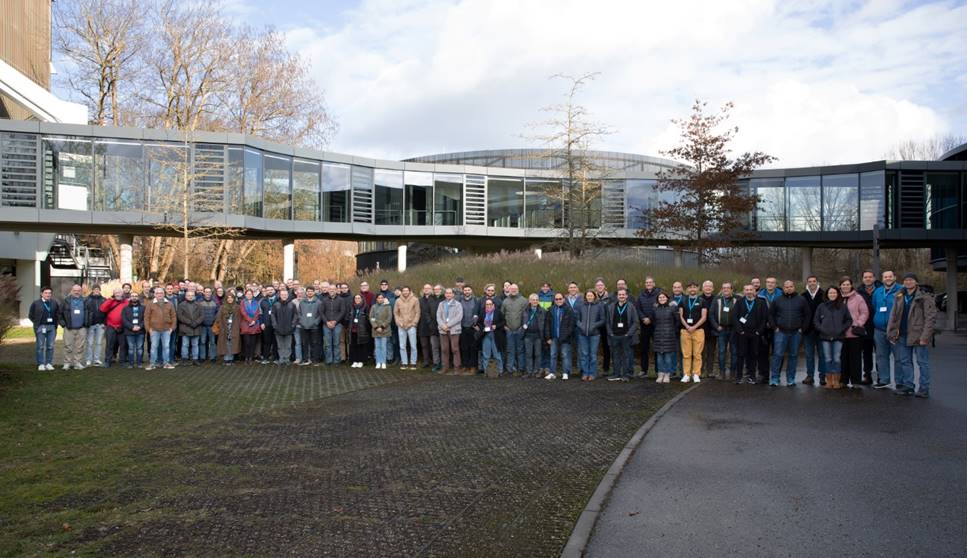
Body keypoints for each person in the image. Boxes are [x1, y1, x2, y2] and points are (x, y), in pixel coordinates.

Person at [887, 273, 937, 398]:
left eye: (911, 280)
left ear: (916, 282)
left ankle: (924, 388)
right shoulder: (899, 296)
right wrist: (891, 332)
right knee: (905, 361)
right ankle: (908, 386)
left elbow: (930, 318)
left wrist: (925, 337)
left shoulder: (924, 297)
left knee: (922, 362)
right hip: (902, 334)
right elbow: (893, 316)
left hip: (919, 335)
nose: (908, 282)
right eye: (906, 280)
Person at [769, 280, 810, 386]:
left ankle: (790, 379)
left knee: (793, 355)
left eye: (791, 286)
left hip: (796, 332)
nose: (789, 288)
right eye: (786, 287)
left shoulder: (801, 300)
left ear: (794, 287)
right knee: (777, 355)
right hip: (780, 332)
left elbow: (807, 315)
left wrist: (802, 328)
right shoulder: (777, 300)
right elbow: (770, 315)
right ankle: (775, 378)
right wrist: (774, 327)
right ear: (783, 288)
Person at [813, 286, 852, 390]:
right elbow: (816, 320)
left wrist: (841, 329)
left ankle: (836, 381)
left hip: (838, 337)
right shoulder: (822, 306)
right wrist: (821, 329)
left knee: (836, 359)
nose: (832, 295)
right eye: (830, 293)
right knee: (828, 359)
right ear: (827, 294)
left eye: (834, 293)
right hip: (825, 336)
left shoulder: (842, 306)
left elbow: (849, 320)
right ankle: (829, 381)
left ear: (838, 294)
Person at [733, 284, 768, 384]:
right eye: (747, 290)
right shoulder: (739, 302)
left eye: (751, 290)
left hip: (755, 334)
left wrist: (759, 332)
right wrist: (740, 331)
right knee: (741, 355)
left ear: (755, 291)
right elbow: (735, 317)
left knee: (753, 355)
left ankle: (752, 376)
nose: (749, 291)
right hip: (742, 333)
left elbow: (764, 319)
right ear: (744, 291)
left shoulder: (761, 303)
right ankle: (738, 376)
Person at [871, 270, 900, 389]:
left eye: (890, 276)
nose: (888, 278)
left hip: (895, 330)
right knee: (881, 356)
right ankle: (884, 379)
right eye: (885, 277)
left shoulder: (901, 290)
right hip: (879, 330)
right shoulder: (878, 291)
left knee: (899, 357)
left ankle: (900, 381)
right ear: (882, 279)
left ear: (894, 277)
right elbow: (874, 306)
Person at [840, 277, 870, 389]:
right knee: (843, 358)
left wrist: (858, 323)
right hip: (841, 333)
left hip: (854, 333)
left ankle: (856, 381)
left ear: (851, 285)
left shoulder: (858, 298)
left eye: (847, 284)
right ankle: (843, 380)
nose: (845, 286)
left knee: (855, 358)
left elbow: (864, 312)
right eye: (843, 284)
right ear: (840, 286)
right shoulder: (837, 298)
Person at [605, 288, 639, 382]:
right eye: (620, 294)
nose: (621, 296)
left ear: (626, 296)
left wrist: (629, 333)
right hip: (614, 335)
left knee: (626, 356)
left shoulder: (631, 306)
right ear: (617, 296)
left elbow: (635, 322)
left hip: (626, 336)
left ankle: (626, 374)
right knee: (615, 355)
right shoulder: (611, 307)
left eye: (623, 294)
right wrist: (610, 333)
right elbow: (607, 322)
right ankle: (616, 374)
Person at [708, 282, 738, 380]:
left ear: (731, 289)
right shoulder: (717, 299)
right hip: (721, 330)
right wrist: (716, 326)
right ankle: (722, 372)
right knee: (721, 352)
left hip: (733, 330)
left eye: (728, 288)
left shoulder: (737, 299)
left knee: (734, 352)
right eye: (724, 288)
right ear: (722, 289)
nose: (726, 290)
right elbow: (711, 314)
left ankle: (733, 372)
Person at [679, 282, 707, 383]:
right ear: (687, 289)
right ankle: (686, 374)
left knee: (697, 354)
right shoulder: (683, 300)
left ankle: (696, 374)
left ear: (697, 288)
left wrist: (694, 327)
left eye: (694, 287)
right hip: (685, 331)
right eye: (690, 287)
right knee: (686, 354)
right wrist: (687, 326)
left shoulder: (702, 301)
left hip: (698, 331)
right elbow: (681, 315)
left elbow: (704, 317)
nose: (692, 289)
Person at [800, 275, 827, 386]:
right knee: (809, 354)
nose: (812, 283)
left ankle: (822, 376)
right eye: (809, 281)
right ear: (807, 283)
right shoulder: (803, 296)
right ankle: (810, 376)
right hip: (807, 330)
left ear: (817, 282)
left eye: (814, 281)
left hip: (821, 330)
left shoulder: (824, 294)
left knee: (822, 355)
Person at [544, 292, 574, 381]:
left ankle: (565, 373)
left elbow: (571, 325)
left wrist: (565, 335)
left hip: (565, 338)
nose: (558, 301)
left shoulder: (569, 310)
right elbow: (547, 325)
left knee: (565, 355)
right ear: (554, 300)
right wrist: (548, 337)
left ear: (564, 299)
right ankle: (552, 373)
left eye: (560, 299)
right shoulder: (550, 310)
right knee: (553, 355)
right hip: (554, 337)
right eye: (556, 299)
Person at [28, 286, 60, 371]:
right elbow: (31, 315)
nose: (48, 295)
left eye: (49, 293)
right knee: (40, 346)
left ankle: (49, 363)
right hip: (41, 327)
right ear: (41, 294)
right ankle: (41, 364)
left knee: (50, 346)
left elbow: (58, 314)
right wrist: (37, 324)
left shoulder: (54, 303)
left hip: (52, 327)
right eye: (46, 293)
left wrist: (56, 324)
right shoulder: (36, 303)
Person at [144, 286, 176, 370]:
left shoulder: (169, 303)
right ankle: (152, 363)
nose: (159, 294)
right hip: (154, 330)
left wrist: (172, 328)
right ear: (154, 294)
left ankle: (166, 363)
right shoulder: (150, 303)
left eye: (161, 293)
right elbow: (146, 317)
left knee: (166, 347)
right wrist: (148, 329)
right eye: (157, 293)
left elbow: (173, 317)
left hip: (166, 330)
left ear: (164, 293)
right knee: (154, 347)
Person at [858, 270, 881, 384]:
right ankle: (867, 375)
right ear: (863, 279)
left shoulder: (881, 290)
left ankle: (881, 376)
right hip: (865, 328)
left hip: (879, 327)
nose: (868, 279)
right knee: (866, 354)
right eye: (865, 277)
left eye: (870, 277)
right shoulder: (858, 292)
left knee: (880, 354)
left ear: (874, 278)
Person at [652, 291, 680, 384]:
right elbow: (654, 322)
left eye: (663, 297)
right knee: (659, 357)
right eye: (660, 298)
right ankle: (660, 374)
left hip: (669, 336)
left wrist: (672, 330)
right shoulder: (655, 309)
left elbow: (677, 321)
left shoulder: (672, 308)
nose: (662, 299)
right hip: (658, 335)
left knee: (668, 357)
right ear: (657, 299)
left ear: (667, 298)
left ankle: (667, 374)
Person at [635, 277, 660, 378]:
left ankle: (658, 370)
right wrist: (643, 318)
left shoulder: (659, 294)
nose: (648, 284)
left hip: (655, 325)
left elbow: (659, 307)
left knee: (657, 348)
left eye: (650, 282)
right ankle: (643, 370)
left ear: (654, 283)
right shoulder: (641, 295)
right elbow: (638, 308)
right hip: (644, 325)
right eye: (647, 282)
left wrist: (650, 318)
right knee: (644, 348)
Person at [757, 277, 781, 383]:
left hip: (777, 328)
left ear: (776, 284)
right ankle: (764, 374)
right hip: (764, 328)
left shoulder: (781, 294)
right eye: (768, 282)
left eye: (772, 283)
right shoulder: (759, 294)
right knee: (763, 352)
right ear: (765, 283)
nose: (770, 284)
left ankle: (776, 374)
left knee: (778, 352)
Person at [59, 284, 89, 370]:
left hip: (81, 328)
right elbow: (59, 313)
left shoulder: (85, 300)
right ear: (72, 291)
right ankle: (67, 363)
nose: (76, 292)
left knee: (80, 347)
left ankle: (77, 363)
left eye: (78, 290)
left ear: (81, 291)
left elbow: (89, 312)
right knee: (68, 346)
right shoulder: (66, 301)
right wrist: (63, 324)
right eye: (75, 290)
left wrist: (87, 323)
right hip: (69, 328)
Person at [576, 290, 604, 381]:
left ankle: (592, 373)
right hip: (582, 334)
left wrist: (594, 325)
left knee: (593, 355)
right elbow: (577, 319)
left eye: (591, 295)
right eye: (588, 296)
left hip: (594, 335)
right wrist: (581, 326)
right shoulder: (581, 306)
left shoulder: (599, 306)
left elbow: (603, 320)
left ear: (594, 296)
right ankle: (585, 373)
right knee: (584, 355)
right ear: (585, 297)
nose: (589, 297)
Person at [474, 298, 505, 378]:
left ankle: (500, 371)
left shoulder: (498, 312)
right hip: (485, 335)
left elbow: (503, 322)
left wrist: (496, 326)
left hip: (495, 335)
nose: (488, 306)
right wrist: (482, 328)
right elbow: (479, 323)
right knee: (486, 354)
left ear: (493, 305)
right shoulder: (482, 312)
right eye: (487, 304)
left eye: (490, 304)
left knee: (497, 354)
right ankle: (486, 371)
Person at [501, 284, 528, 375]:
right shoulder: (505, 301)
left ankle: (521, 368)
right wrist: (504, 326)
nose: (513, 290)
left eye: (515, 289)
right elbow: (502, 315)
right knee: (510, 350)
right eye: (511, 289)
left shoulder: (524, 301)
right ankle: (510, 369)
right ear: (509, 290)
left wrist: (522, 326)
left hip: (520, 329)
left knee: (520, 350)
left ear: (518, 290)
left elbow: (526, 315)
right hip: (509, 330)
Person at [392, 285, 420, 370]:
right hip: (401, 326)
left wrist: (414, 323)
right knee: (402, 346)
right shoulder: (398, 300)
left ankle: (413, 362)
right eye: (403, 291)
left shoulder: (415, 300)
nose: (405, 292)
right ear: (402, 291)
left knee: (413, 346)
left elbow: (417, 313)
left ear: (409, 291)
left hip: (411, 326)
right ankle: (404, 363)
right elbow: (396, 313)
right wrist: (398, 322)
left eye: (407, 290)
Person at [437, 287, 463, 374]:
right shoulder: (441, 304)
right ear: (445, 294)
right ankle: (445, 367)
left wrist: (448, 325)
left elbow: (459, 317)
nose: (448, 294)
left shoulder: (458, 304)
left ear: (453, 294)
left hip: (454, 330)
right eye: (446, 293)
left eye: (450, 293)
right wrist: (443, 326)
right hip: (443, 330)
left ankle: (457, 368)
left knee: (455, 349)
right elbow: (438, 316)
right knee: (444, 349)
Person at [100, 289, 129, 368]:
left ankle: (122, 362)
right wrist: (110, 299)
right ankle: (107, 361)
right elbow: (102, 309)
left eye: (119, 293)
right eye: (116, 293)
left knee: (123, 346)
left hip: (122, 327)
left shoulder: (126, 302)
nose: (118, 294)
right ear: (113, 294)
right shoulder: (110, 301)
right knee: (109, 345)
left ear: (123, 294)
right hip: (111, 326)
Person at [321, 285, 349, 365]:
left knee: (336, 343)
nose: (331, 290)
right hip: (326, 325)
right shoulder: (324, 300)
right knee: (328, 344)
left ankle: (337, 360)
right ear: (328, 290)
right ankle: (329, 360)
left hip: (337, 324)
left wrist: (335, 321)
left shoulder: (341, 300)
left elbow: (342, 311)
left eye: (333, 289)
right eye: (330, 289)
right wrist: (327, 322)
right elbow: (321, 312)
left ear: (336, 290)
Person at [521, 294, 547, 378]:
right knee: (528, 354)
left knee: (538, 354)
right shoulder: (525, 310)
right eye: (533, 299)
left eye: (536, 299)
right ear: (529, 301)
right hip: (528, 335)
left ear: (538, 301)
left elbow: (545, 324)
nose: (535, 301)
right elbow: (522, 322)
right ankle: (529, 371)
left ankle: (536, 371)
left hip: (538, 336)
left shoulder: (543, 311)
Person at [418, 284, 442, 372]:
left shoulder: (437, 299)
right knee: (426, 345)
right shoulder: (421, 300)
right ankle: (428, 361)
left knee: (437, 345)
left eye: (429, 288)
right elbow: (422, 312)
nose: (427, 289)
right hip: (424, 324)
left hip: (437, 325)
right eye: (425, 288)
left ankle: (438, 362)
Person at [271, 289, 298, 366]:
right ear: (280, 295)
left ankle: (287, 359)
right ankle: (281, 359)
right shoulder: (276, 304)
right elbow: (273, 316)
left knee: (288, 346)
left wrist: (292, 325)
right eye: (282, 294)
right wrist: (275, 326)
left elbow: (295, 316)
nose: (284, 296)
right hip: (278, 329)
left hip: (289, 329)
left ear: (288, 295)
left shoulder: (292, 305)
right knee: (280, 346)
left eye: (285, 294)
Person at [176, 290, 204, 365]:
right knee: (185, 345)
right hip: (185, 328)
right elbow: (180, 316)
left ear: (194, 296)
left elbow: (202, 316)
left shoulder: (199, 305)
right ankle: (184, 359)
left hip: (196, 328)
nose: (190, 296)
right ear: (185, 296)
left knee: (195, 345)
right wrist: (189, 322)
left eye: (192, 295)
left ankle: (195, 359)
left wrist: (196, 322)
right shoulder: (181, 305)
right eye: (188, 295)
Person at [297, 286, 322, 365]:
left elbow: (320, 314)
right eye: (308, 291)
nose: (310, 292)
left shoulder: (318, 302)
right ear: (306, 292)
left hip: (314, 327)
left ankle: (314, 360)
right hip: (303, 327)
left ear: (314, 292)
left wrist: (315, 323)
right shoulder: (302, 302)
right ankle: (305, 360)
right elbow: (299, 314)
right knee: (304, 343)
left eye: (311, 291)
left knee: (314, 343)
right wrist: (302, 322)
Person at [214, 291, 240, 365]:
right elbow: (218, 317)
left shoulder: (237, 307)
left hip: (234, 327)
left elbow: (239, 318)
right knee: (225, 343)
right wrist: (221, 325)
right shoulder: (222, 307)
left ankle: (231, 359)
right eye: (228, 298)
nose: (230, 299)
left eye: (231, 298)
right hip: (224, 327)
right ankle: (226, 359)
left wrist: (237, 326)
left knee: (232, 343)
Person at [458, 285, 479, 373]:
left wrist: (476, 324)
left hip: (472, 327)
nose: (467, 291)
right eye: (465, 290)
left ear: (471, 291)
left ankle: (473, 366)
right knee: (464, 347)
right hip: (462, 327)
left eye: (468, 290)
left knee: (473, 347)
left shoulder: (476, 300)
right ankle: (465, 365)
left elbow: (478, 313)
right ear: (463, 291)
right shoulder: (459, 300)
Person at [347, 293, 371, 367]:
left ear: (362, 299)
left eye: (359, 298)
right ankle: (354, 360)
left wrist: (367, 329)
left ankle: (361, 361)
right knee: (353, 346)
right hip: (353, 330)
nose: (357, 299)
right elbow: (348, 317)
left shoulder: (366, 307)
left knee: (361, 346)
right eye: (356, 298)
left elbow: (368, 319)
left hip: (362, 330)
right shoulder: (351, 307)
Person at [120, 295, 145, 368]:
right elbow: (124, 320)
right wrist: (132, 327)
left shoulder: (143, 308)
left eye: (136, 296)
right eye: (133, 296)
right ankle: (131, 364)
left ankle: (139, 363)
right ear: (130, 298)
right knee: (130, 348)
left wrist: (140, 326)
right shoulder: (125, 308)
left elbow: (145, 318)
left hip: (140, 331)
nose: (134, 297)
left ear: (138, 298)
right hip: (129, 331)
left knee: (139, 348)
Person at [369, 292, 393, 369]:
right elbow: (371, 318)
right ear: (376, 299)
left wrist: (382, 327)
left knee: (383, 346)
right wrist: (376, 327)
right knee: (377, 347)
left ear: (384, 299)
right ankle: (378, 362)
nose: (380, 299)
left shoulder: (388, 306)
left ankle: (383, 362)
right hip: (376, 330)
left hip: (384, 330)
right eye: (379, 298)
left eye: (381, 298)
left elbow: (389, 318)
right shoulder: (373, 307)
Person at [84, 285, 106, 367]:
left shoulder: (104, 299)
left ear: (100, 290)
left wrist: (105, 323)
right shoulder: (87, 299)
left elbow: (107, 312)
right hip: (90, 324)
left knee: (99, 343)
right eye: (95, 289)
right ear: (92, 290)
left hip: (100, 325)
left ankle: (96, 359)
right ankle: (88, 359)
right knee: (89, 343)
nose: (96, 290)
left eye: (98, 289)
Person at [239, 289, 262, 364]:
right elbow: (243, 312)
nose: (249, 295)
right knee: (247, 342)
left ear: (252, 295)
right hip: (246, 324)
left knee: (253, 342)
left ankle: (251, 357)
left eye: (250, 294)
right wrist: (250, 321)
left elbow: (257, 312)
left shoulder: (256, 302)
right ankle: (246, 357)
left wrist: (254, 321)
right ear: (245, 295)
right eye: (247, 294)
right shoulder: (243, 302)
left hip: (254, 324)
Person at [700, 280, 717, 378]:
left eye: (710, 286)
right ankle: (701, 371)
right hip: (701, 329)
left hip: (713, 329)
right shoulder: (698, 299)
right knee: (701, 352)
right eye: (706, 286)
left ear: (713, 288)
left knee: (711, 351)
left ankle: (710, 371)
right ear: (703, 288)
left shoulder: (717, 299)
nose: (708, 288)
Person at [199, 287, 218, 363]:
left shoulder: (215, 302)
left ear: (211, 293)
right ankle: (202, 357)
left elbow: (217, 312)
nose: (208, 293)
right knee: (202, 342)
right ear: (204, 292)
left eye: (209, 292)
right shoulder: (200, 302)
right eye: (206, 292)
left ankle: (213, 357)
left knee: (212, 342)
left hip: (212, 325)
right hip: (202, 325)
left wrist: (214, 320)